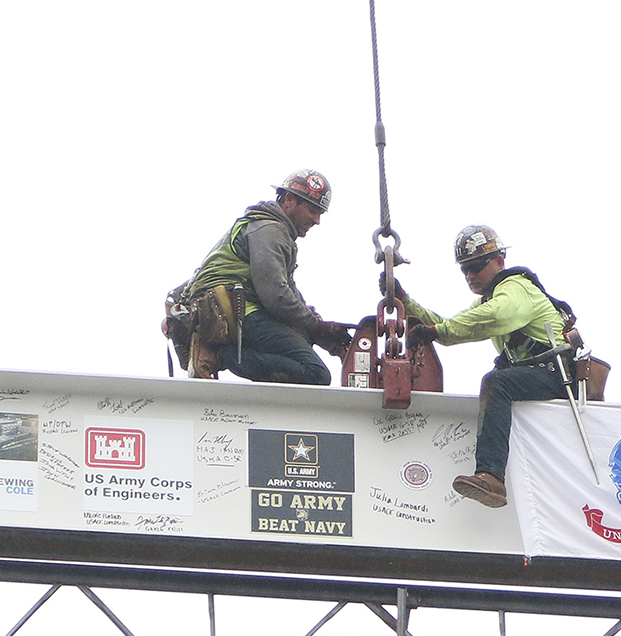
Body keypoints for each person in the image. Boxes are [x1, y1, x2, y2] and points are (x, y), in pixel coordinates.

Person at [396, 225, 576, 508]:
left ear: (499, 261)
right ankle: (490, 473)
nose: (470, 276)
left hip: (556, 375)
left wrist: (435, 331)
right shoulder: (490, 299)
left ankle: (491, 476)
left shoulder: (515, 288)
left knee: (498, 383)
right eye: (464, 270)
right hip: (538, 374)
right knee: (499, 380)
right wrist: (405, 302)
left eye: (477, 267)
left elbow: (493, 317)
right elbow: (450, 323)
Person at [182, 171, 353, 385]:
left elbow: (288, 293)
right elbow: (276, 296)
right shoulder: (269, 230)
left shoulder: (271, 230)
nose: (316, 220)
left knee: (301, 344)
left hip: (235, 308)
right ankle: (217, 355)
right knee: (315, 373)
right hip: (233, 311)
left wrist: (319, 330)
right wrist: (315, 327)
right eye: (312, 210)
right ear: (290, 200)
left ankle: (226, 355)